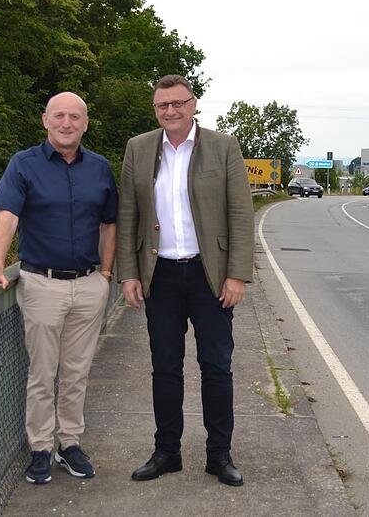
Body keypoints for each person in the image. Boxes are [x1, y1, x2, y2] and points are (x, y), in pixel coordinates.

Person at [0, 92, 118, 485]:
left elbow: (109, 225)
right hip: (41, 284)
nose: (67, 123)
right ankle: (40, 448)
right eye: (59, 116)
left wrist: (105, 276)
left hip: (89, 286)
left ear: (85, 124)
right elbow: (8, 217)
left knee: (76, 373)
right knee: (42, 372)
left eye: (75, 117)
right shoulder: (24, 164)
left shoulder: (100, 169)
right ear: (45, 120)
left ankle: (69, 443)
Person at [116, 75, 253, 487]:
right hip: (160, 276)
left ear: (194, 105)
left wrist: (237, 275)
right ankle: (167, 452)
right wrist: (128, 274)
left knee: (216, 367)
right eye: (163, 106)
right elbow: (127, 217)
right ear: (155, 110)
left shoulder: (222, 146)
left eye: (178, 103)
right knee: (164, 368)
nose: (171, 111)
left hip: (209, 276)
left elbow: (241, 214)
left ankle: (219, 455)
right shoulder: (139, 149)